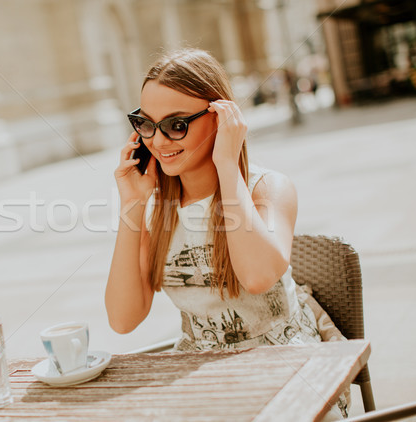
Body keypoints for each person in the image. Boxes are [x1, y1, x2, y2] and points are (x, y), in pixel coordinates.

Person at [105, 49, 347, 419]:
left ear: (221, 119)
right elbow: (123, 320)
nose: (158, 140)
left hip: (287, 368)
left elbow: (256, 277)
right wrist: (133, 206)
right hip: (201, 377)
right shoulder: (155, 212)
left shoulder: (268, 188)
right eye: (146, 123)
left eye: (177, 124)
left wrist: (226, 165)